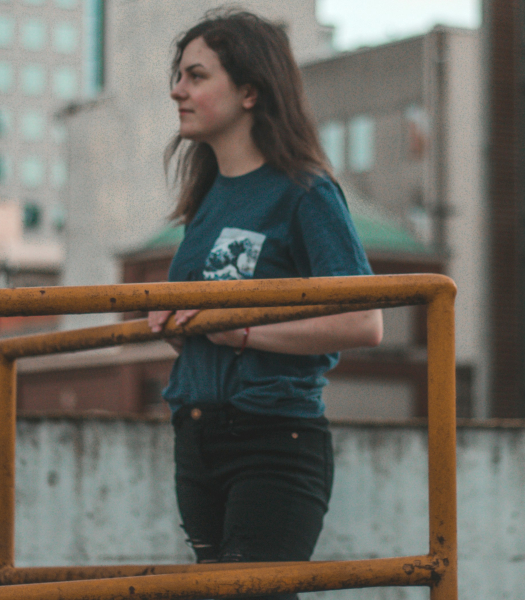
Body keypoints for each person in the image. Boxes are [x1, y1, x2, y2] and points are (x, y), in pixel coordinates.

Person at [143, 9, 383, 599]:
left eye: (196, 76)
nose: (178, 89)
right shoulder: (207, 202)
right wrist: (178, 326)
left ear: (250, 91)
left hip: (272, 440)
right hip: (197, 437)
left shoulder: (304, 191)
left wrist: (246, 333)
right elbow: (214, 331)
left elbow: (365, 320)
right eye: (179, 75)